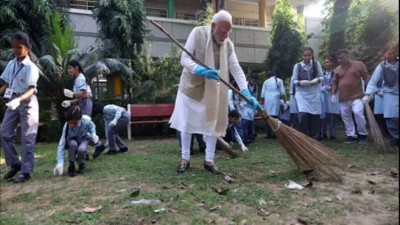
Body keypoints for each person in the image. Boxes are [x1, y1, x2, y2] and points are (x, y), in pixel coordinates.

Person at [169, 10, 260, 174]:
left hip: (213, 90)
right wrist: (199, 70)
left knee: (213, 125)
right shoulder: (198, 34)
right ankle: (185, 159)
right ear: (212, 26)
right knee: (186, 124)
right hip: (191, 87)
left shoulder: (228, 44)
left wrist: (245, 91)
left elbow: (236, 69)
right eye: (221, 31)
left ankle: (209, 161)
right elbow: (184, 59)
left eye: (227, 32)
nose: (224, 35)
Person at [0, 32, 39, 183]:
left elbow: (31, 89)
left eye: (19, 47)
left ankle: (26, 171)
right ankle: (15, 163)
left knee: (27, 137)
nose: (15, 50)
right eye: (13, 47)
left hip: (27, 101)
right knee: (4, 132)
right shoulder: (11, 64)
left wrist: (20, 100)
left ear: (28, 48)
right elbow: (7, 84)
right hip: (13, 100)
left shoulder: (31, 67)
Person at [331, 49, 370, 144]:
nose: (340, 60)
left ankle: (362, 134)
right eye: (338, 58)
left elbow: (367, 78)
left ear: (348, 56)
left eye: (341, 57)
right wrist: (333, 94)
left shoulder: (359, 64)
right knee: (345, 116)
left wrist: (368, 93)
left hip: (357, 96)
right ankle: (351, 135)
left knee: (358, 113)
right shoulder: (337, 69)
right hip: (343, 97)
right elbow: (334, 82)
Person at [53, 106, 104, 177]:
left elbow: (92, 127)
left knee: (81, 150)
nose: (72, 125)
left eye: (75, 123)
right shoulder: (66, 127)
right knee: (73, 145)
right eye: (69, 123)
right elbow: (62, 143)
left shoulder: (86, 121)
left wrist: (93, 134)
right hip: (72, 140)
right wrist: (60, 162)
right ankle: (71, 166)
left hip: (84, 138)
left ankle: (81, 165)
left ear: (79, 119)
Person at [363, 45, 398, 146]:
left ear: (396, 52)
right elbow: (373, 81)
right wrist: (367, 94)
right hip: (389, 95)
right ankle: (395, 138)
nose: (390, 56)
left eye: (392, 53)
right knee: (391, 117)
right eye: (387, 54)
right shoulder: (382, 66)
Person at [291, 47, 324, 140]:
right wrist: (300, 82)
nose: (307, 57)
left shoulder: (316, 64)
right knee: (303, 115)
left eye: (309, 55)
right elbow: (293, 80)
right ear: (302, 56)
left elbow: (322, 77)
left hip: (314, 93)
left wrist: (316, 80)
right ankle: (302, 138)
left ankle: (315, 138)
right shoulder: (297, 66)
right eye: (305, 55)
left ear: (312, 55)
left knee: (315, 115)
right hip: (302, 94)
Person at [260, 71, 286, 139]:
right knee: (275, 117)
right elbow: (283, 93)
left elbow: (262, 94)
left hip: (267, 100)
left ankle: (268, 134)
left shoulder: (266, 82)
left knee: (268, 117)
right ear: (275, 75)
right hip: (276, 99)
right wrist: (285, 102)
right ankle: (275, 133)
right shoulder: (279, 81)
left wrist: (262, 105)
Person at [320, 57, 340, 141]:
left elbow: (339, 83)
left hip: (333, 95)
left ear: (332, 63)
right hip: (324, 95)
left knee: (332, 115)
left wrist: (332, 87)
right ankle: (323, 133)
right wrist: (323, 87)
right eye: (324, 62)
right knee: (324, 115)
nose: (326, 64)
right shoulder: (322, 74)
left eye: (327, 62)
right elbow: (319, 84)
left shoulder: (336, 73)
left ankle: (333, 135)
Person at [247, 72, 259, 140]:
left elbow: (256, 97)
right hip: (244, 105)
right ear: (249, 79)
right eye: (253, 80)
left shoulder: (256, 87)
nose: (255, 82)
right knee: (245, 121)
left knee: (252, 120)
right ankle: (246, 135)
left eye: (256, 81)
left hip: (252, 105)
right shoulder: (245, 85)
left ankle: (251, 134)